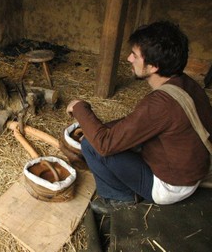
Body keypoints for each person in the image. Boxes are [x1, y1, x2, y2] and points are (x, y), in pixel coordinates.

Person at [66, 21, 212, 214]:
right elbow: (139, 122)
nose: (128, 58)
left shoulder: (160, 104)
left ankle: (121, 198)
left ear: (153, 66)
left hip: (170, 187)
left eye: (134, 55)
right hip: (190, 172)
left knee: (91, 146)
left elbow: (104, 144)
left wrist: (79, 107)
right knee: (105, 136)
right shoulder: (186, 83)